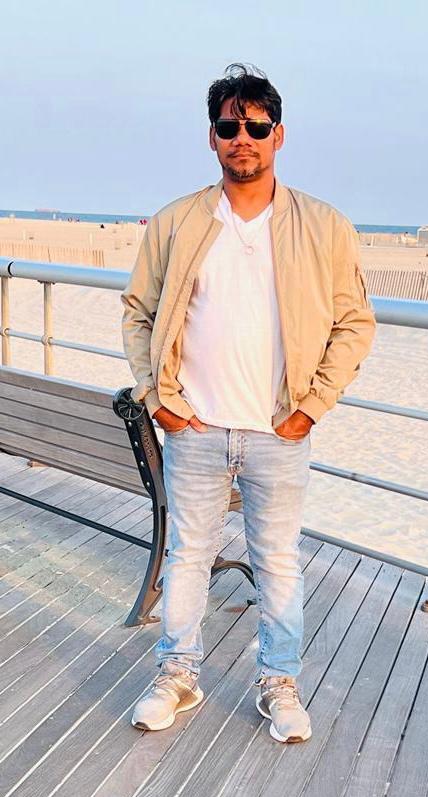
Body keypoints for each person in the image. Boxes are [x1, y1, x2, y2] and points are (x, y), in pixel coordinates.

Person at [121, 63, 376, 743]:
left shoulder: (323, 225)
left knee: (279, 561)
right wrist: (158, 399)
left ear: (278, 135)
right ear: (212, 136)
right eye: (229, 126)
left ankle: (279, 683)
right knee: (187, 557)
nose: (243, 138)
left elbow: (355, 322)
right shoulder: (178, 221)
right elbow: (138, 311)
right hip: (195, 426)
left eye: (256, 127)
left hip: (278, 430)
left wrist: (312, 407)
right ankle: (177, 675)